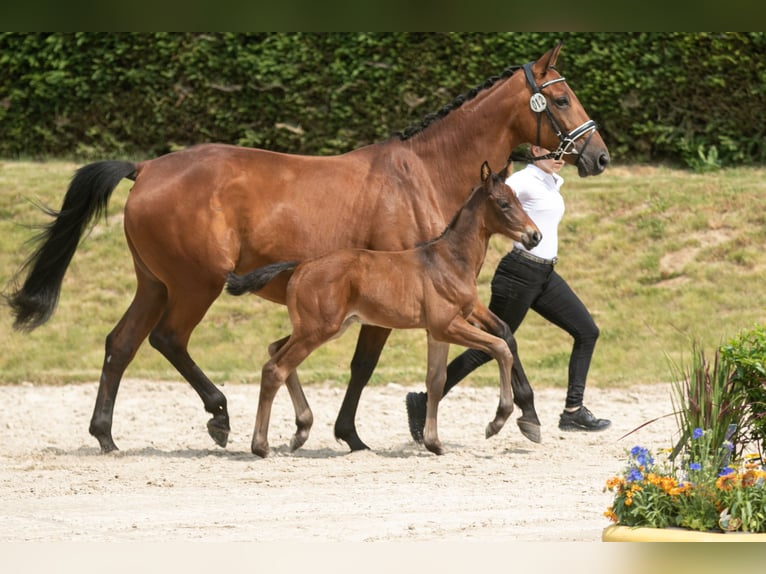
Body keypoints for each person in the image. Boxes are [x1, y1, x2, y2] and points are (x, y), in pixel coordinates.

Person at [405, 145, 611, 442]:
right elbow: (486, 197)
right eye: (552, 153)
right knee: (491, 345)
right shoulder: (523, 181)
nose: (559, 159)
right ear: (536, 150)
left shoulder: (551, 182)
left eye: (562, 154)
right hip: (518, 273)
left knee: (587, 331)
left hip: (545, 274)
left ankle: (573, 411)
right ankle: (424, 402)